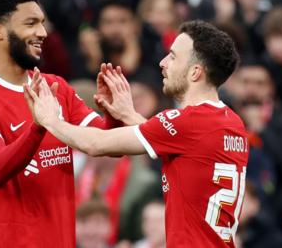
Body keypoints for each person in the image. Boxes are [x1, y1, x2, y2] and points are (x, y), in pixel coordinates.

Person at [27, 20, 249, 247]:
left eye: (172, 57)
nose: (163, 63)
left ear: (194, 72)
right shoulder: (232, 123)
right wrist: (128, 114)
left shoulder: (188, 122)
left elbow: (95, 144)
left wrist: (50, 119)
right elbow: (181, 146)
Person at [0, 0, 118, 248]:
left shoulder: (55, 87)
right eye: (31, 23)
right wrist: (38, 128)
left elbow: (106, 142)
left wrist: (114, 113)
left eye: (42, 23)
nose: (42, 32)